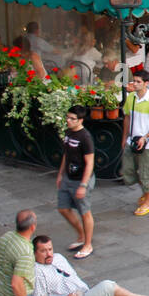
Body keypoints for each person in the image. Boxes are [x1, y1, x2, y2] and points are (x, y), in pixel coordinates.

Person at [121, 70, 149, 216]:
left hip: (148, 144)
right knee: (128, 172)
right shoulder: (131, 98)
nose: (135, 84)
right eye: (134, 81)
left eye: (138, 81)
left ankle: (147, 202)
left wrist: (145, 137)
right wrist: (124, 138)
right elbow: (127, 117)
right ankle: (148, 190)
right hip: (131, 140)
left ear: (146, 83)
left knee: (146, 173)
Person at [57, 106, 96, 259]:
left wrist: (83, 185)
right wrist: (60, 174)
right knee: (63, 208)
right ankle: (81, 235)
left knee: (85, 212)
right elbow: (66, 154)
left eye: (72, 119)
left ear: (80, 120)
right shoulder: (68, 133)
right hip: (68, 176)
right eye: (67, 117)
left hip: (80, 178)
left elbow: (90, 163)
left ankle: (88, 244)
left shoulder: (85, 137)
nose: (68, 120)